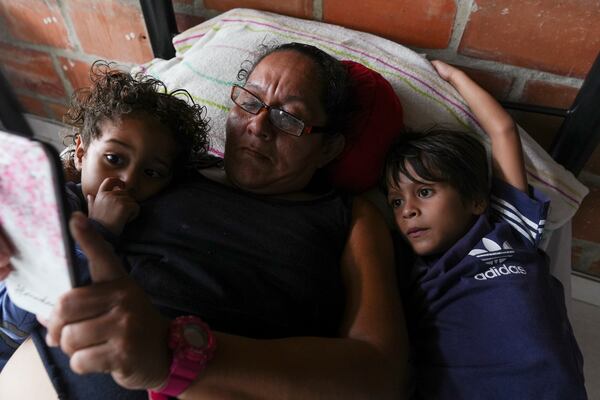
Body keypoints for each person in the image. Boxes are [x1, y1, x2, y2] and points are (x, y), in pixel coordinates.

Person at [0, 43, 408, 399]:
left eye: (289, 117)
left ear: (329, 148)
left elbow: (382, 374)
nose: (258, 125)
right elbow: (82, 174)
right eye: (249, 101)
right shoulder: (169, 168)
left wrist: (174, 355)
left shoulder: (351, 217)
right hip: (51, 359)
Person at [383, 60, 586, 399]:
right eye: (395, 202)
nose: (408, 211)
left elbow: (502, 130)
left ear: (476, 200)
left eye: (424, 192)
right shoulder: (407, 266)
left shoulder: (508, 227)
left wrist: (454, 77)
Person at [0, 61, 209, 371]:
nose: (128, 180)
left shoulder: (148, 223)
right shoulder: (49, 212)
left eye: (151, 172)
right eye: (114, 158)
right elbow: (14, 317)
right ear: (81, 154)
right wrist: (98, 231)